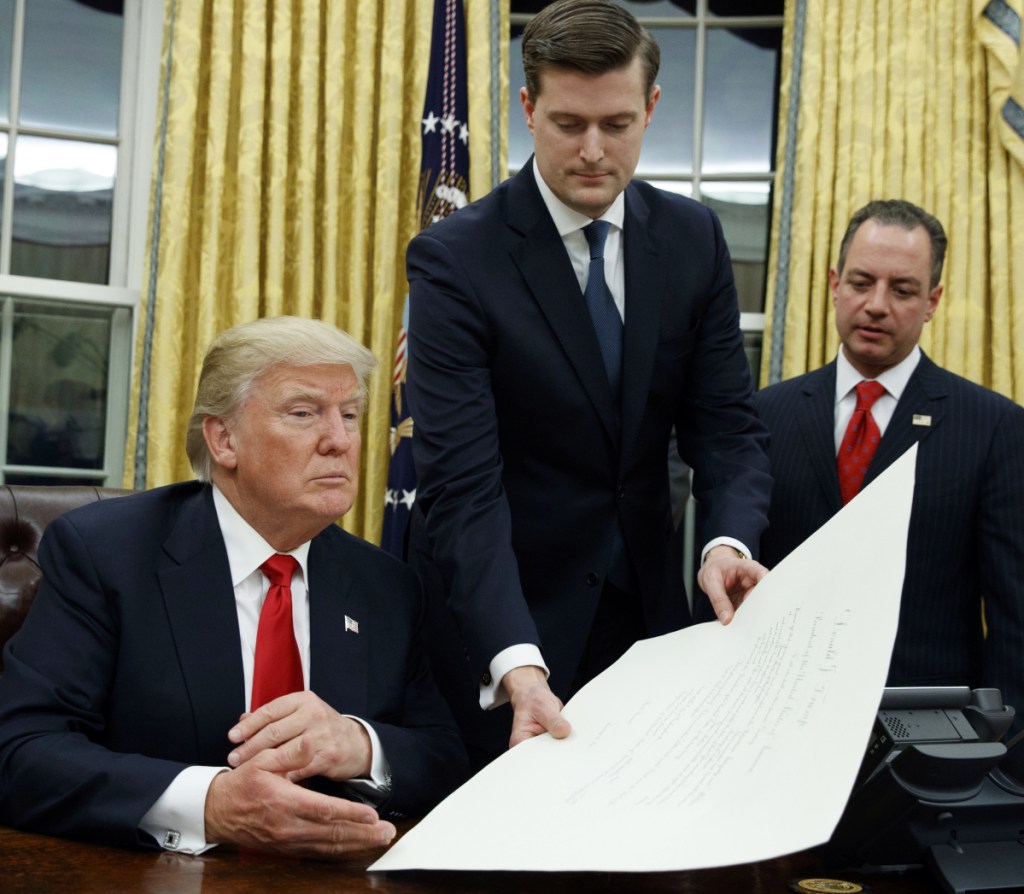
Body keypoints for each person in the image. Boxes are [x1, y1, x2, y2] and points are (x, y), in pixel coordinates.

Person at [404, 0, 772, 768]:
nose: (595, 151)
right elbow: (463, 491)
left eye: (619, 123)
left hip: (645, 627)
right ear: (528, 107)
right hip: (503, 629)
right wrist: (516, 662)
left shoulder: (693, 238)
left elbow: (726, 430)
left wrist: (726, 541)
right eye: (570, 124)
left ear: (652, 108)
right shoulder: (454, 261)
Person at [0, 316, 469, 855]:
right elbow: (20, 751)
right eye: (304, 413)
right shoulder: (106, 554)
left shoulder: (386, 584)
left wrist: (362, 744)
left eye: (350, 415)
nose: (339, 441)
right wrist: (211, 805)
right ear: (224, 439)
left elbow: (445, 758)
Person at [754, 199, 1024, 733]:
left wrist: (1000, 758)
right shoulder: (764, 415)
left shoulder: (993, 427)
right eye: (860, 283)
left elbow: (1015, 619)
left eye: (902, 290)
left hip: (928, 742)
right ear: (834, 284)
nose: (876, 305)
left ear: (932, 301)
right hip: (778, 727)